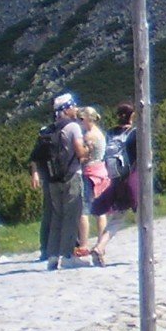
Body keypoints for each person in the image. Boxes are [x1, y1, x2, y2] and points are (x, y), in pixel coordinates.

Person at [28, 93, 86, 269]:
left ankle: (52, 256)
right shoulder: (73, 127)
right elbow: (79, 152)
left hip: (52, 179)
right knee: (71, 215)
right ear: (66, 109)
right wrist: (87, 149)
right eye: (73, 106)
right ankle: (67, 255)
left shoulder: (48, 130)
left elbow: (36, 156)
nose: (75, 109)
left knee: (56, 217)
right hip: (71, 175)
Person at [89, 104, 137, 263]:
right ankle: (147, 253)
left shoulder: (110, 133)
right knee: (145, 218)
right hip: (133, 179)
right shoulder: (134, 133)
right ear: (132, 115)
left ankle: (100, 246)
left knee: (118, 217)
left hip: (116, 179)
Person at [75, 106, 109, 264]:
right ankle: (101, 243)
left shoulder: (89, 136)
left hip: (89, 173)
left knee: (84, 210)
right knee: (100, 211)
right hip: (101, 171)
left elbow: (83, 156)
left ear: (87, 119)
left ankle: (83, 244)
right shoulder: (100, 134)